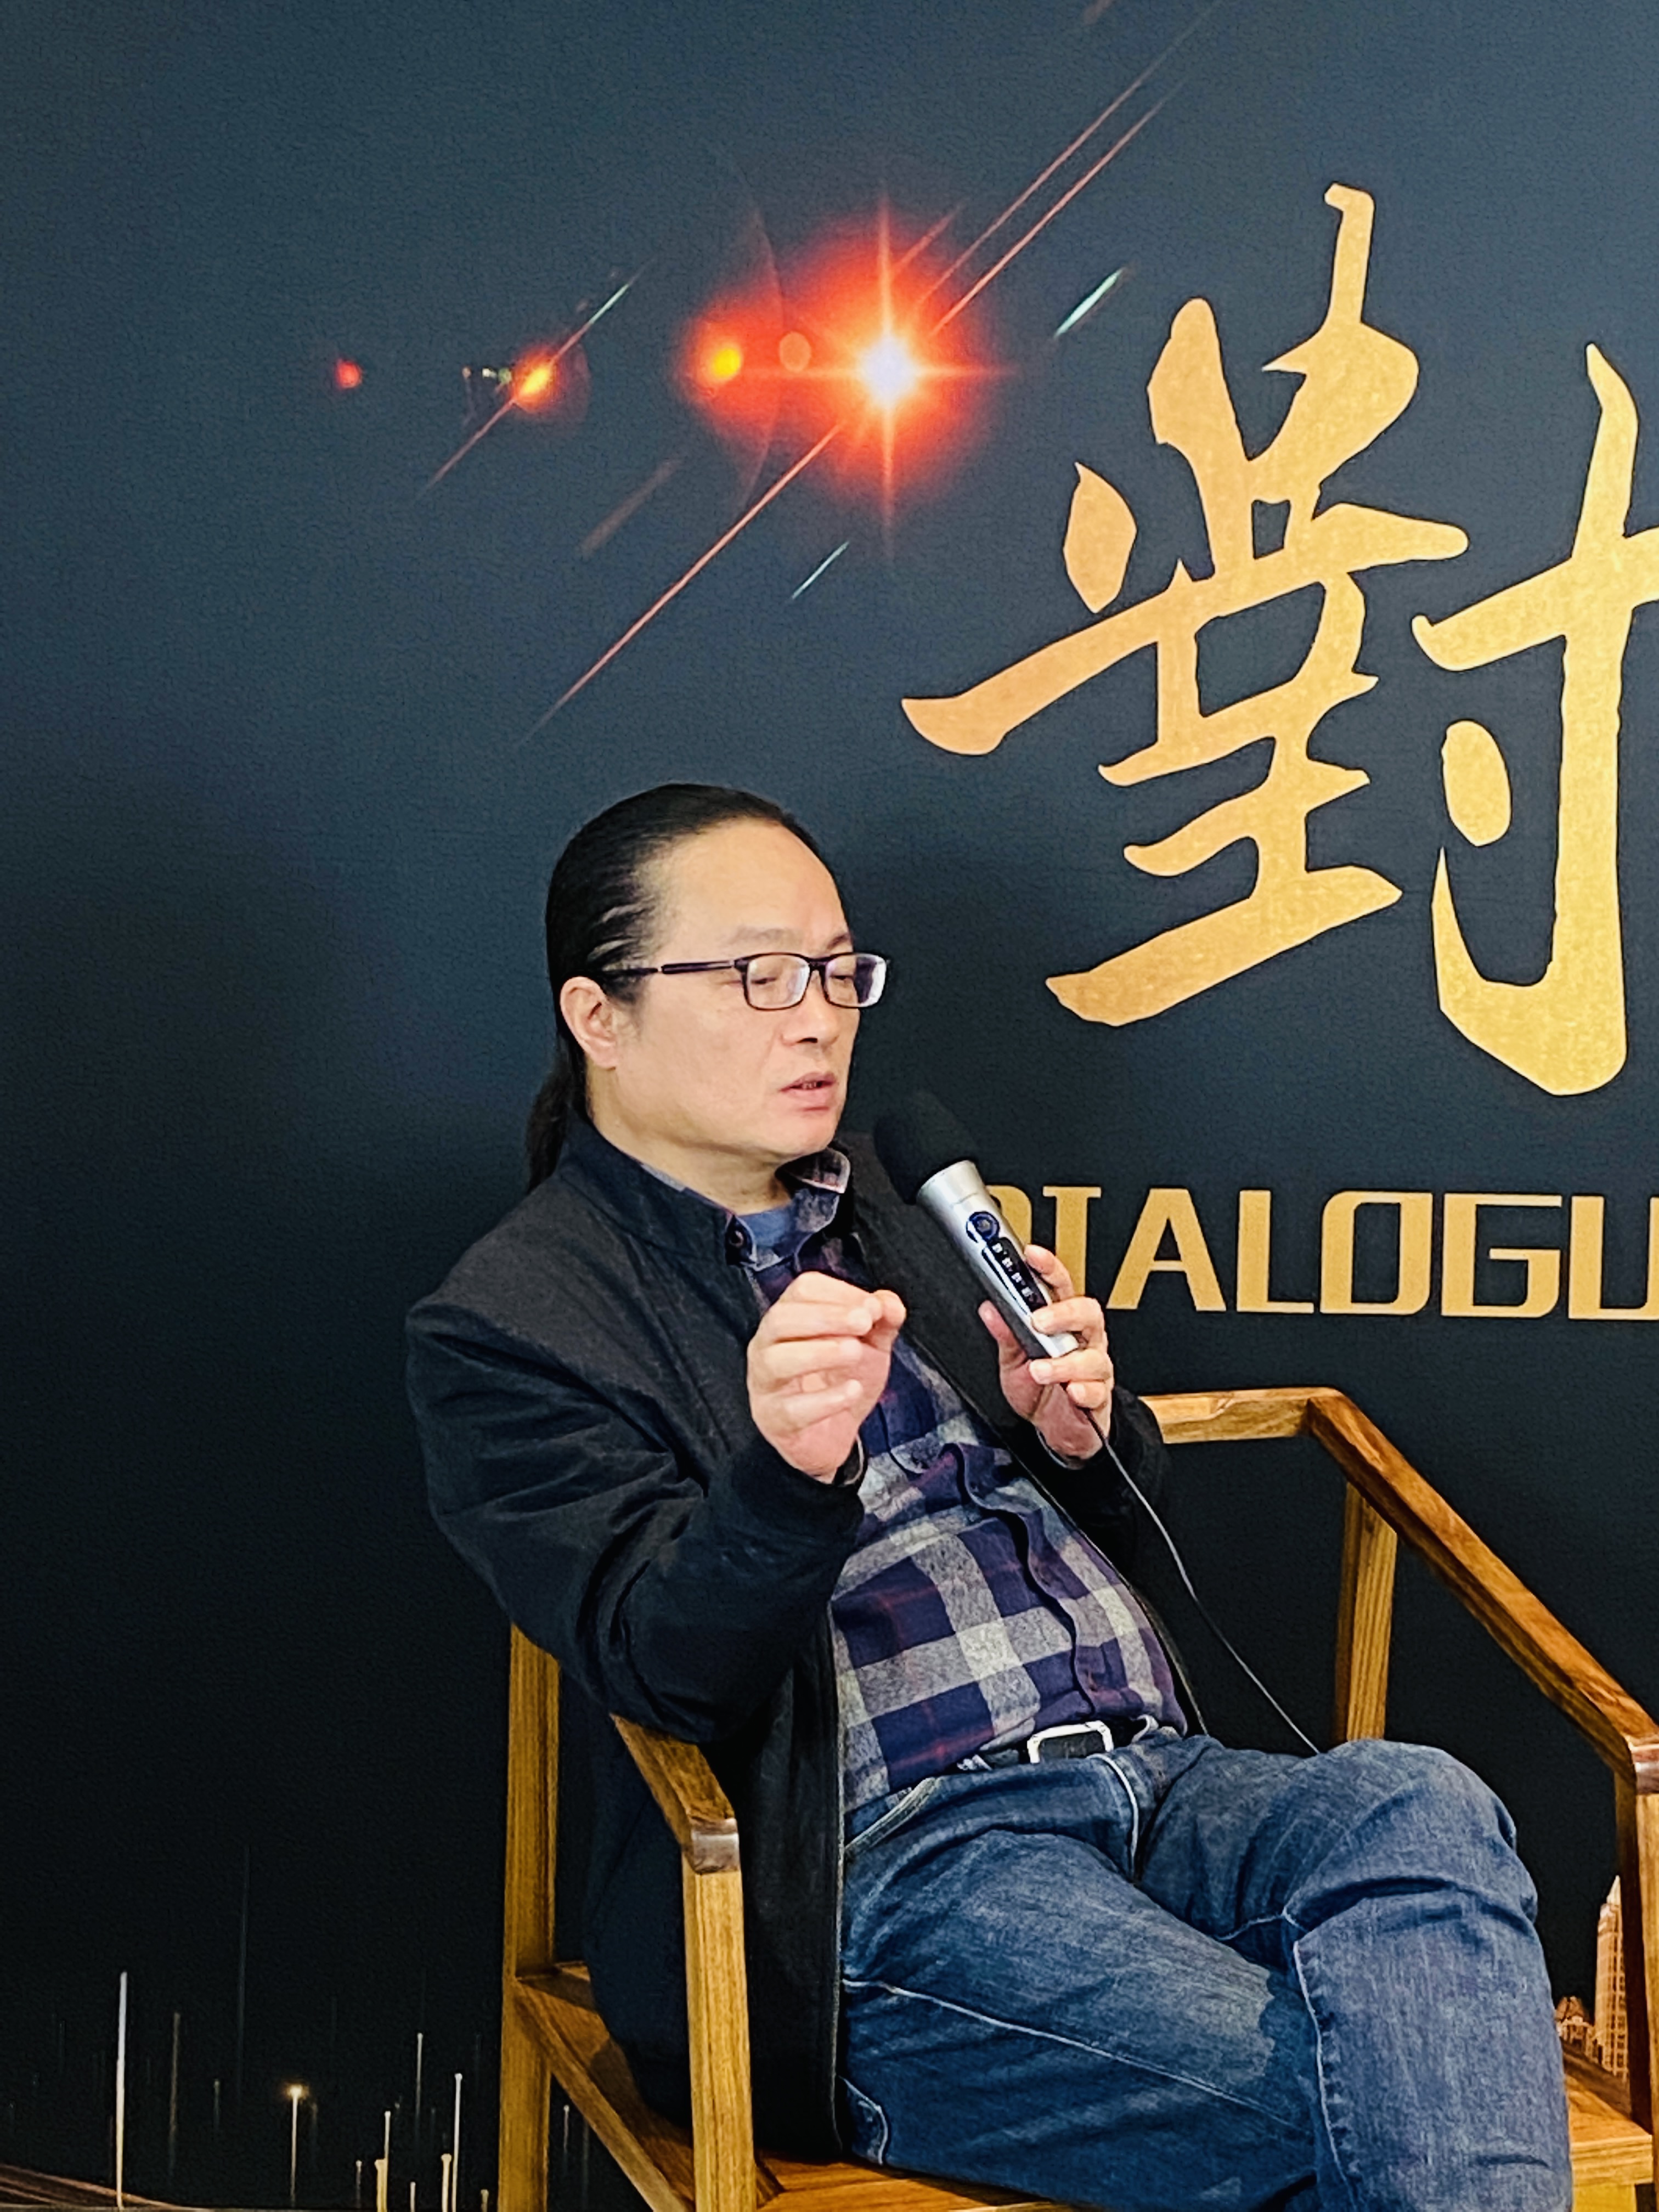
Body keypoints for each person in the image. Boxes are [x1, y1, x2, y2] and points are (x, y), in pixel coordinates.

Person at [405, 782, 1571, 2212]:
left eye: (838, 971)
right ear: (600, 1014)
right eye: (761, 976)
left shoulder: (900, 1213)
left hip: (1160, 1782)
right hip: (906, 1871)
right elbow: (666, 1667)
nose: (818, 1020)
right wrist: (784, 1474)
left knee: (1416, 1802)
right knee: (1386, 2094)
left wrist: (1078, 1437)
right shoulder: (516, 1324)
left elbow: (1107, 1514)